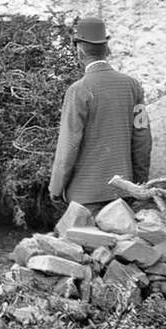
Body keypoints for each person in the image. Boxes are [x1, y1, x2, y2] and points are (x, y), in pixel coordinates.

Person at [49, 18, 151, 213]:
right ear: (107, 49)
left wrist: (56, 188)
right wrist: (139, 181)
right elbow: (142, 138)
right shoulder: (133, 86)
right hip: (123, 194)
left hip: (85, 197)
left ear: (79, 52)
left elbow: (68, 146)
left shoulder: (78, 91)